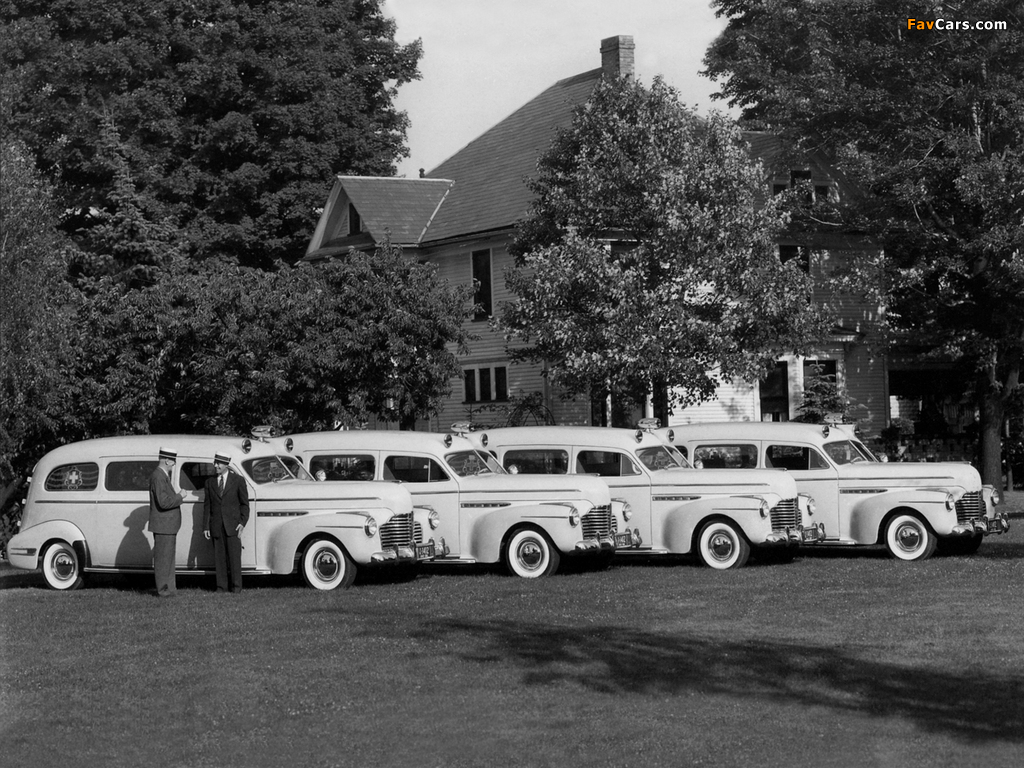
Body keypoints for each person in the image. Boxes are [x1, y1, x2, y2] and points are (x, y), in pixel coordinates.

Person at [203, 451, 250, 593]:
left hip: (233, 526)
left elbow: (244, 504)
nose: (215, 465)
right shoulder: (209, 482)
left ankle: (236, 587)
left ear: (226, 465)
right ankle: (221, 587)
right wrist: (206, 526)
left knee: (235, 558)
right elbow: (207, 506)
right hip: (216, 525)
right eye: (215, 462)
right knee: (219, 558)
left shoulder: (238, 480)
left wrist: (242, 522)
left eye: (219, 463)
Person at [149, 446, 186, 598]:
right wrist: (180, 496)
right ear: (166, 460)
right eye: (172, 461)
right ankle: (163, 590)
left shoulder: (162, 476)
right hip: (163, 526)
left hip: (168, 526)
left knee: (168, 559)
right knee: (164, 560)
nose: (173, 464)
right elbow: (163, 502)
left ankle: (169, 588)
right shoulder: (158, 476)